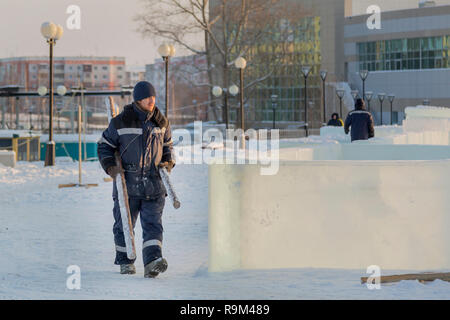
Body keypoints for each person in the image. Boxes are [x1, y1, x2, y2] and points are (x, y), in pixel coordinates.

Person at [97, 81, 175, 278]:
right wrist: (110, 167)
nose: (151, 100)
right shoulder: (120, 122)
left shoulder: (161, 122)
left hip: (154, 185)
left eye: (153, 97)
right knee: (124, 224)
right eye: (147, 97)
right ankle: (125, 262)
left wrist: (168, 163)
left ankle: (152, 262)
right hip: (127, 185)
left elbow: (168, 148)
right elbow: (104, 146)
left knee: (153, 225)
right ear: (138, 99)